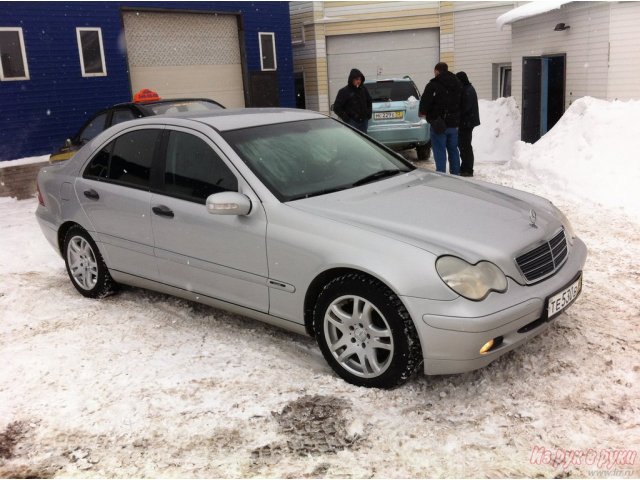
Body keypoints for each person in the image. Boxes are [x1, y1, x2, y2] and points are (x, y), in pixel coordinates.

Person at [419, 62, 462, 174]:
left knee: (439, 150)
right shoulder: (457, 83)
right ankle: (455, 173)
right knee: (453, 149)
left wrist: (423, 112)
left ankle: (441, 174)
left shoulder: (433, 85)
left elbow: (425, 101)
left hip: (438, 123)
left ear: (437, 71)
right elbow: (461, 101)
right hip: (454, 123)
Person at [456, 71, 480, 177]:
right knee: (464, 145)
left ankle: (468, 169)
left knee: (465, 146)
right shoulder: (468, 89)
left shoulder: (467, 91)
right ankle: (465, 167)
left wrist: (456, 114)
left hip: (467, 123)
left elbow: (465, 108)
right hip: (468, 122)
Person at [333, 68, 372, 133]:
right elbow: (336, 107)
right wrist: (347, 119)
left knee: (364, 141)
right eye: (356, 79)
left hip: (364, 122)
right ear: (351, 79)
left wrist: (368, 114)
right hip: (352, 122)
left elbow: (369, 101)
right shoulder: (344, 91)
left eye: (360, 79)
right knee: (354, 140)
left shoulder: (363, 89)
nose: (358, 81)